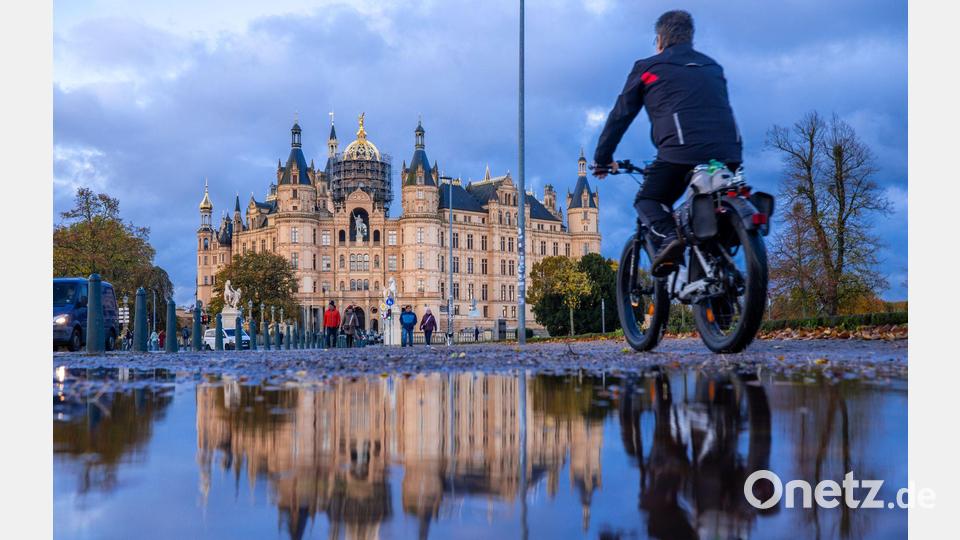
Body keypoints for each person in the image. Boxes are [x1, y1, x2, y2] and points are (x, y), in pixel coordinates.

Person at [592, 10, 742, 277]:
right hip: (730, 153)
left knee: (649, 199)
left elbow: (620, 116)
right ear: (690, 38)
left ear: (660, 39)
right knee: (705, 204)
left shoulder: (648, 68)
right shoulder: (712, 67)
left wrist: (602, 159)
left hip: (680, 152)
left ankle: (670, 237)